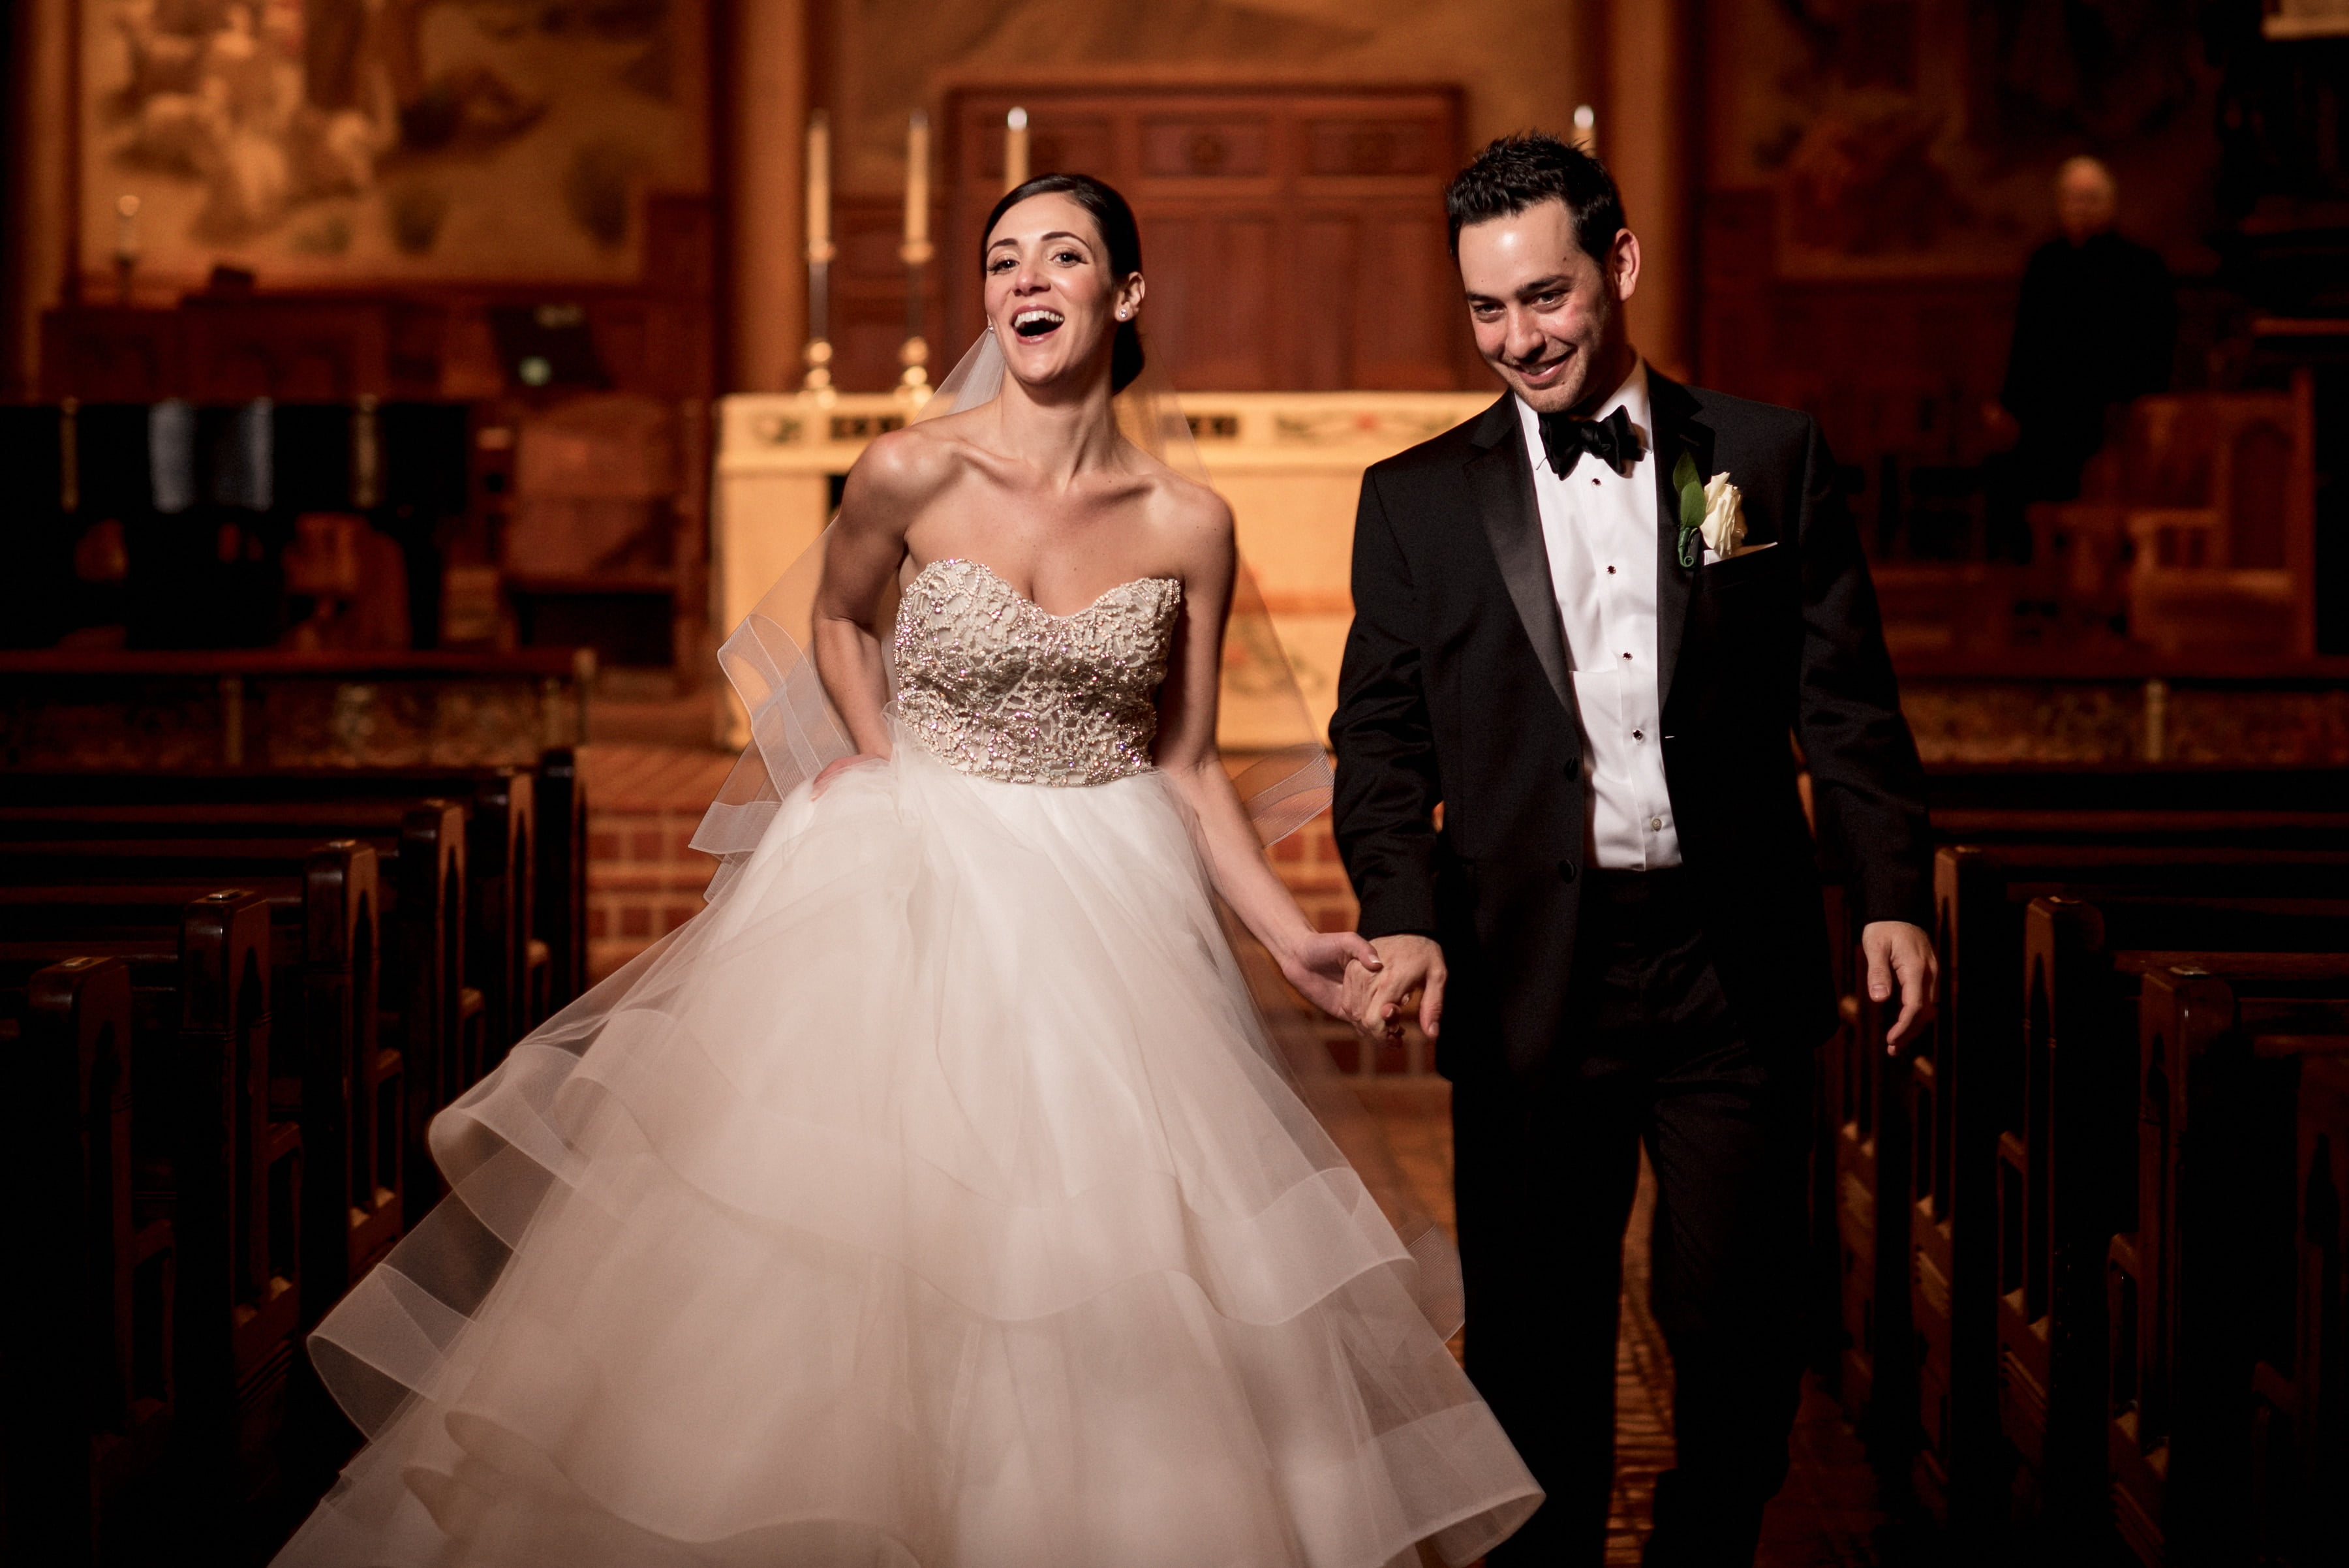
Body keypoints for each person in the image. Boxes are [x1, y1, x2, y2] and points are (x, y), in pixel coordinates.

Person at [270, 172, 1540, 1568]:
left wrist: (1291, 935)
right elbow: (834, 616)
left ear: (1124, 295)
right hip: (908, 878)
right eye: (1004, 261)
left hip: (1109, 900)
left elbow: (1181, 761)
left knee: (1109, 1261)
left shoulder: (1189, 520)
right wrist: (879, 759)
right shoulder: (909, 470)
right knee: (852, 1247)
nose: (1025, 281)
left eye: (1062, 255)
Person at [1329, 134, 1937, 1567]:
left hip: (1731, 955)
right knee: (1535, 1345)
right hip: (1527, 961)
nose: (1519, 340)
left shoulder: (1766, 460)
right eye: (1486, 311)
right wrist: (1403, 912)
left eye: (1545, 297)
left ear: (1621, 264)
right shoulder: (1414, 501)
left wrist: (1892, 893)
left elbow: (1842, 704)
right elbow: (1382, 740)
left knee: (1737, 1326)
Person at [1985, 155, 2176, 557]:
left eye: (2089, 198)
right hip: (2048, 410)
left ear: (2110, 203)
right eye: (2072, 198)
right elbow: (2027, 341)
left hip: (2117, 407)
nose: (2080, 208)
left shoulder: (2139, 266)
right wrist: (2009, 403)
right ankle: (2033, 584)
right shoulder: (2045, 262)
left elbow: (2154, 345)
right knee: (2016, 481)